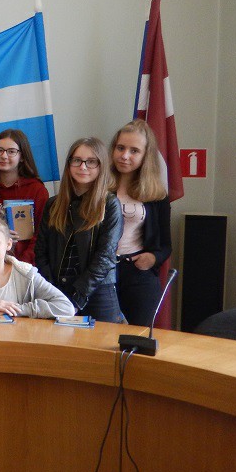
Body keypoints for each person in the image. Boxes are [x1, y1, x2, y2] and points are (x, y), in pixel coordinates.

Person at [35, 137, 124, 322]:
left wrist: (79, 296)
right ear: (69, 164)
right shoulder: (53, 204)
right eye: (77, 160)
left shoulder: (110, 204)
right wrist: (50, 288)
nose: (83, 167)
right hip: (57, 290)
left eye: (91, 161)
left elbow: (106, 256)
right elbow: (41, 251)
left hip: (97, 293)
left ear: (101, 166)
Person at [109, 119, 172, 326]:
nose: (125, 156)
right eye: (120, 148)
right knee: (100, 337)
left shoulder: (157, 195)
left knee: (137, 337)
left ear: (146, 155)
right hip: (101, 273)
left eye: (134, 151)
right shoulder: (98, 188)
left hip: (137, 274)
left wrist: (153, 259)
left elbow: (165, 245)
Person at [0, 128, 50, 265]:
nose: (4, 156)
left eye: (11, 151)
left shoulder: (37, 190)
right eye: (0, 150)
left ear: (22, 157)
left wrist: (22, 264)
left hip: (26, 266)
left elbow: (41, 235)